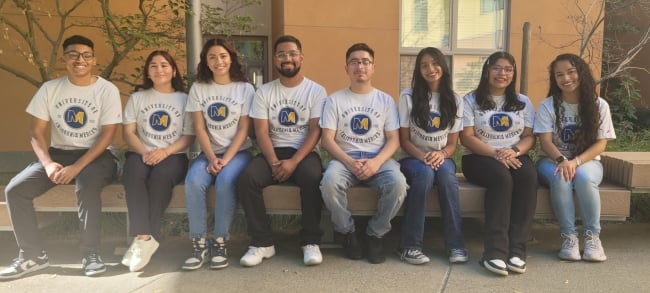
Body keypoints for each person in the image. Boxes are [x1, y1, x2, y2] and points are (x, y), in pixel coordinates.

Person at [0, 35, 122, 279]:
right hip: (58, 155)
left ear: (94, 60)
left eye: (86, 55)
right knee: (15, 190)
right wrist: (47, 165)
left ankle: (91, 254)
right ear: (64, 58)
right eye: (74, 54)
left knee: (86, 184)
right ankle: (32, 256)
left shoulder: (106, 90)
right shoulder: (50, 89)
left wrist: (76, 167)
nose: (80, 59)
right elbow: (35, 132)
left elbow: (108, 136)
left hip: (99, 156)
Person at [237, 35, 327, 267]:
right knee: (248, 179)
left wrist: (294, 162)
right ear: (275, 59)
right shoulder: (264, 92)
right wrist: (275, 161)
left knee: (312, 177)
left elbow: (315, 131)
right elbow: (261, 131)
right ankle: (262, 242)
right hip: (273, 151)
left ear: (301, 57)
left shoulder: (316, 91)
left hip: (304, 152)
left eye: (292, 53)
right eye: (281, 54)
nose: (287, 58)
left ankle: (310, 241)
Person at [320, 43, 408, 264]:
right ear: (347, 68)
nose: (360, 66)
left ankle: (375, 234)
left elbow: (393, 139)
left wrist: (377, 162)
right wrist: (349, 162)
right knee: (329, 182)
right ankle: (348, 233)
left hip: (378, 158)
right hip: (344, 158)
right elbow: (327, 139)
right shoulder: (335, 100)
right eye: (355, 62)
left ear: (373, 68)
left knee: (398, 184)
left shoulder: (385, 100)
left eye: (365, 62)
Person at [459, 51, 537, 276]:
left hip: (515, 154)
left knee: (528, 177)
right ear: (487, 71)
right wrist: (496, 154)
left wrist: (513, 151)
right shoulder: (471, 99)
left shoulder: (523, 101)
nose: (502, 73)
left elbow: (529, 137)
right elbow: (467, 137)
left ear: (513, 74)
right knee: (501, 179)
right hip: (478, 157)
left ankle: (517, 251)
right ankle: (494, 252)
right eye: (497, 68)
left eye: (508, 69)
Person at [182, 38, 255, 270]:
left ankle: (220, 241)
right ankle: (199, 243)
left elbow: (244, 129)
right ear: (205, 61)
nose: (218, 61)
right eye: (212, 57)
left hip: (238, 153)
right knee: (193, 182)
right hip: (209, 153)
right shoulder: (199, 88)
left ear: (231, 58)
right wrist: (212, 157)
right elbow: (199, 128)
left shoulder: (244, 88)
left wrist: (225, 159)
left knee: (225, 182)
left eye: (223, 56)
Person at [534, 53, 615, 262]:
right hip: (551, 160)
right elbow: (545, 142)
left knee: (585, 178)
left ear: (581, 73)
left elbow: (601, 144)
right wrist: (562, 161)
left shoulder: (599, 105)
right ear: (554, 79)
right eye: (559, 75)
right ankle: (569, 237)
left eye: (571, 72)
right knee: (561, 176)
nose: (566, 78)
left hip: (587, 161)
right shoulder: (547, 105)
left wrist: (576, 162)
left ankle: (592, 238)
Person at [120, 50, 195, 272]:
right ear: (148, 72)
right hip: (141, 152)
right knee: (133, 174)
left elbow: (189, 136)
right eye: (153, 66)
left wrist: (165, 152)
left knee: (160, 177)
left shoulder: (184, 99)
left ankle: (144, 239)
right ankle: (145, 236)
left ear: (173, 70)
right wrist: (145, 152)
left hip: (174, 156)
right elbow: (128, 133)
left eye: (164, 65)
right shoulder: (138, 98)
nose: (159, 69)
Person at [397, 47, 467, 265]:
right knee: (425, 175)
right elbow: (404, 140)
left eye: (435, 63)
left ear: (443, 67)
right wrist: (423, 157)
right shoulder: (407, 97)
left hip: (442, 157)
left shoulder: (455, 100)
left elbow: (453, 143)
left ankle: (456, 246)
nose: (430, 69)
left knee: (448, 178)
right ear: (418, 70)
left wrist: (441, 154)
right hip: (412, 158)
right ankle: (410, 246)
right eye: (424, 65)